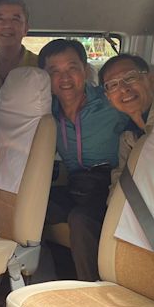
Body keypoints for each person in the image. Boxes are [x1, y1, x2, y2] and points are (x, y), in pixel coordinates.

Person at [39, 39, 127, 282]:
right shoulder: (46, 109)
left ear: (85, 69)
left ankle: (91, 290)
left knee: (81, 219)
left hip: (110, 186)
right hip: (76, 186)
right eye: (54, 71)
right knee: (34, 205)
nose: (64, 78)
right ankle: (34, 281)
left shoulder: (110, 102)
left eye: (72, 68)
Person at [99, 54, 154, 190]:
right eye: (113, 85)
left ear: (151, 80)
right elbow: (121, 181)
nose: (123, 88)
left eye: (130, 77)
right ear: (108, 97)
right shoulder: (127, 137)